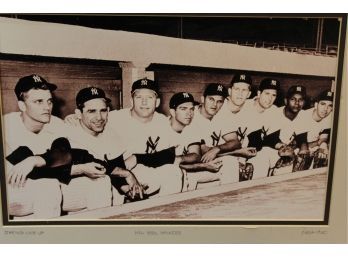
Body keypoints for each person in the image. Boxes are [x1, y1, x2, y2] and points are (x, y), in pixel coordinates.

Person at [67, 79, 183, 197]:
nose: (144, 102)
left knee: (174, 172)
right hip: (117, 171)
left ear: (157, 102)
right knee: (107, 185)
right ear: (131, 101)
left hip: (145, 169)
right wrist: (73, 118)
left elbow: (170, 154)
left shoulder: (164, 122)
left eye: (149, 97)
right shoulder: (113, 118)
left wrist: (138, 158)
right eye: (138, 97)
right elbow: (87, 118)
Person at [62, 86, 144, 209]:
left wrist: (128, 189)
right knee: (103, 182)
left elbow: (117, 167)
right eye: (92, 111)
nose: (99, 117)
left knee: (116, 191)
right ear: (79, 114)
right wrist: (126, 174)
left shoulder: (110, 133)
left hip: (97, 190)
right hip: (67, 191)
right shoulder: (68, 133)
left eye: (103, 110)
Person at [3, 74, 63, 219]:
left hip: (33, 187)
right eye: (38, 101)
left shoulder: (56, 123)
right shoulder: (8, 124)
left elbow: (66, 156)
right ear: (22, 105)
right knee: (48, 185)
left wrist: (34, 160)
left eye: (49, 101)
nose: (47, 107)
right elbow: (37, 172)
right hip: (7, 191)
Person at [184, 83, 241, 189]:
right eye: (211, 99)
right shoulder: (190, 115)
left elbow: (235, 142)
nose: (215, 105)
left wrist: (217, 149)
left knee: (231, 163)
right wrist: (221, 150)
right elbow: (201, 151)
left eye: (219, 101)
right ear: (202, 99)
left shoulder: (222, 116)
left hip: (212, 163)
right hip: (192, 167)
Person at [292, 89, 334, 171]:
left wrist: (323, 143)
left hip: (314, 147)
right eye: (323, 104)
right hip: (297, 147)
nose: (326, 109)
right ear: (316, 105)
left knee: (324, 153)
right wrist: (319, 143)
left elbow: (324, 137)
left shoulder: (329, 116)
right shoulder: (303, 115)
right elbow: (301, 144)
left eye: (330, 106)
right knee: (303, 158)